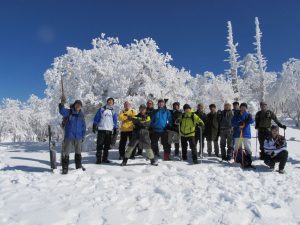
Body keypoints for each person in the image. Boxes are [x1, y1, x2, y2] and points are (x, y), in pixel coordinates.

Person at [59, 99, 86, 174]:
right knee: (66, 152)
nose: (78, 106)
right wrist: (61, 104)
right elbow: (62, 111)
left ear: (81, 107)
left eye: (79, 105)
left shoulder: (81, 115)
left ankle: (78, 166)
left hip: (78, 137)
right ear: (74, 105)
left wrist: (83, 135)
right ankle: (65, 168)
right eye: (76, 104)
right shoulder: (69, 112)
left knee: (78, 152)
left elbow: (84, 126)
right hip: (69, 136)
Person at [93, 97, 118, 164]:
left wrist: (115, 128)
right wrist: (94, 125)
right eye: (109, 101)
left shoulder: (113, 111)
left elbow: (115, 121)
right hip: (101, 129)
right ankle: (98, 159)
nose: (110, 102)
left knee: (107, 146)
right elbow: (97, 117)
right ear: (107, 102)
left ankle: (105, 158)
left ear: (113, 103)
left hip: (109, 130)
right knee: (99, 145)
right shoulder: (102, 109)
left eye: (111, 101)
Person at [231, 103, 254, 167]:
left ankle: (248, 161)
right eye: (242, 107)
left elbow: (252, 121)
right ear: (240, 108)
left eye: (244, 107)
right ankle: (238, 160)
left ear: (246, 108)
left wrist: (250, 118)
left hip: (246, 134)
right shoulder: (236, 115)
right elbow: (232, 123)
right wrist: (239, 123)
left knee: (248, 148)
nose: (243, 109)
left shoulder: (248, 115)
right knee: (238, 147)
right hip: (238, 134)